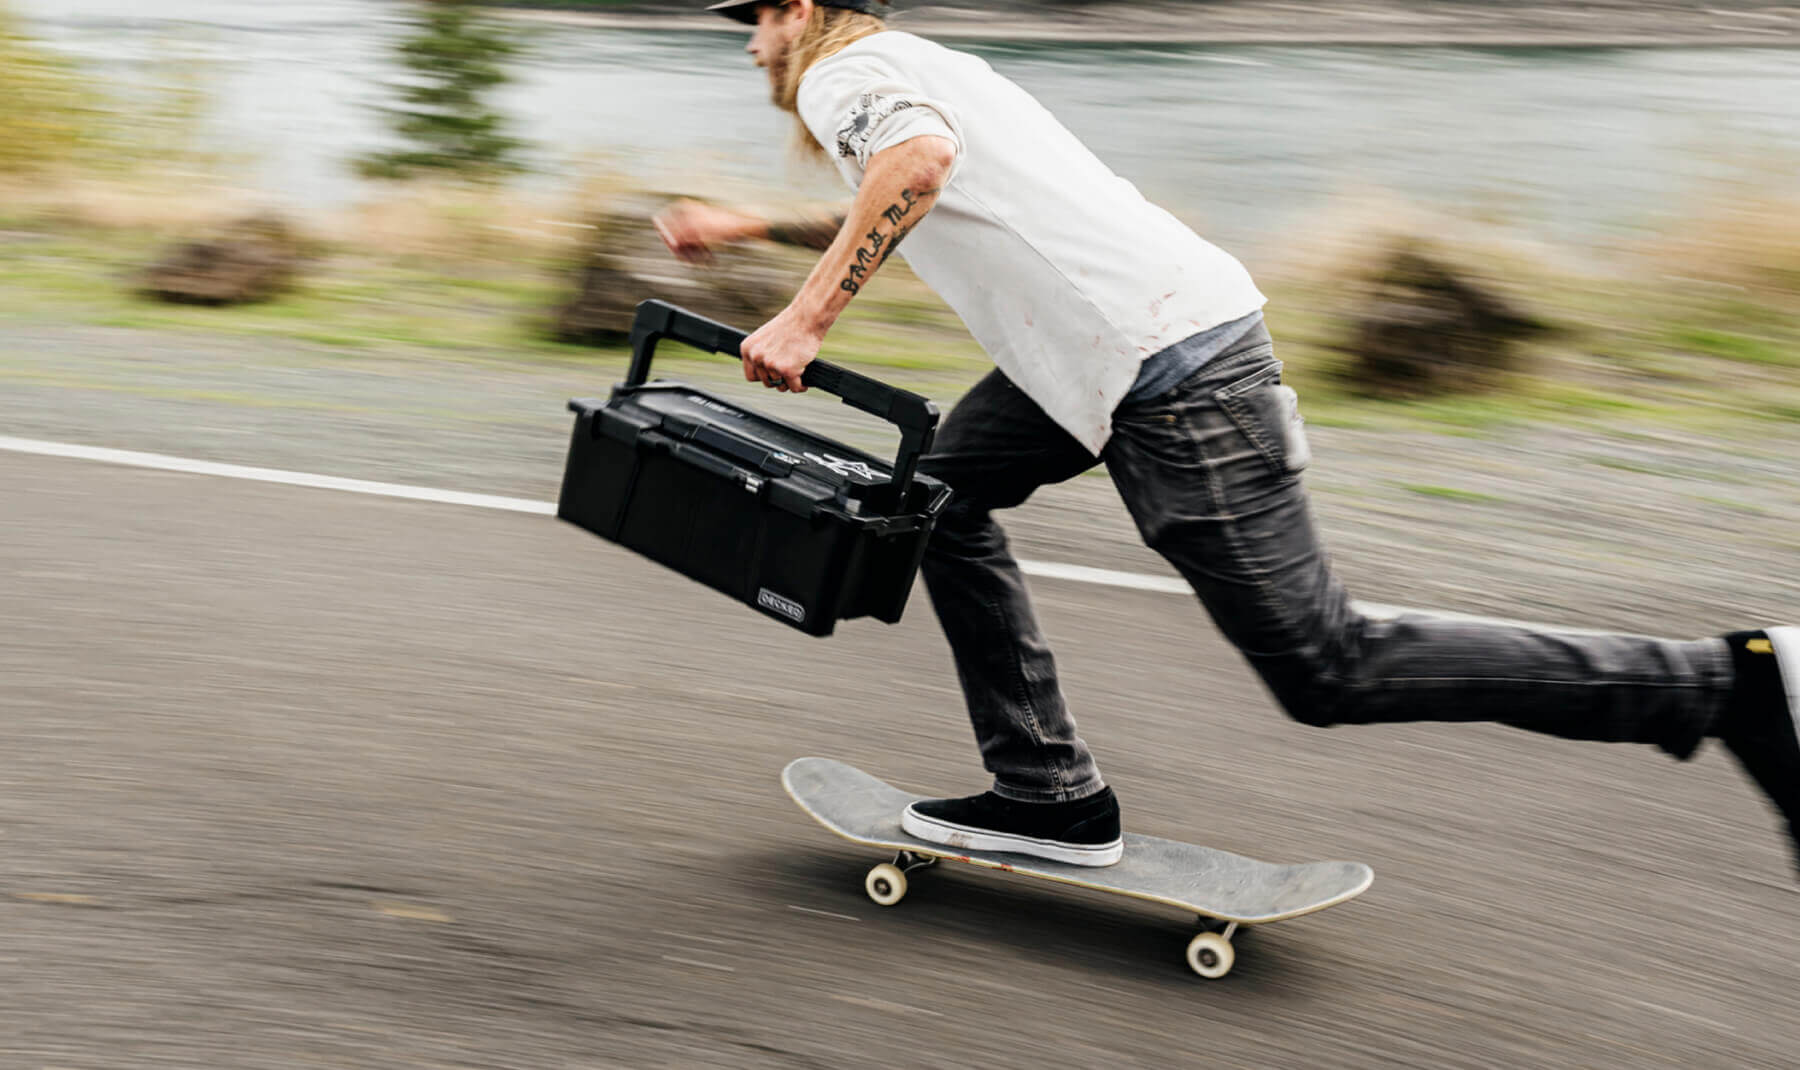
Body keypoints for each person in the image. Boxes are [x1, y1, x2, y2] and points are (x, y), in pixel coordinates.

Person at [653, 0, 1798, 874]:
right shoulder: (917, 62)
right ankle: (1048, 791)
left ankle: (1720, 683)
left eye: (754, 21)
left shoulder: (840, 71)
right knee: (935, 504)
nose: (751, 47)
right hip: (1107, 352)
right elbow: (911, 184)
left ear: (800, 9)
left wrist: (805, 316)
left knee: (1327, 666)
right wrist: (749, 223)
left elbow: (914, 167)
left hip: (1166, 372)